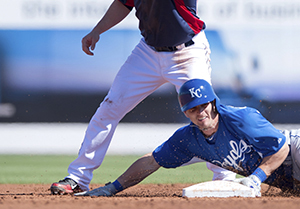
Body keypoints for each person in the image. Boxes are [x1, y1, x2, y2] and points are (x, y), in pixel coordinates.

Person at [50, 0, 234, 195]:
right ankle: (78, 178)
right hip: (147, 51)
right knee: (108, 109)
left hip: (187, 52)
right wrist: (97, 31)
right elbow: (125, 1)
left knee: (205, 114)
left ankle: (225, 181)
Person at [75, 79, 300, 198]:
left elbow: (280, 148)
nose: (200, 113)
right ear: (186, 114)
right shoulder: (188, 139)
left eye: (204, 106)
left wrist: (257, 177)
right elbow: (153, 160)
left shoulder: (242, 118)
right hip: (288, 178)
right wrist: (113, 187)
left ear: (214, 103)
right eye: (193, 109)